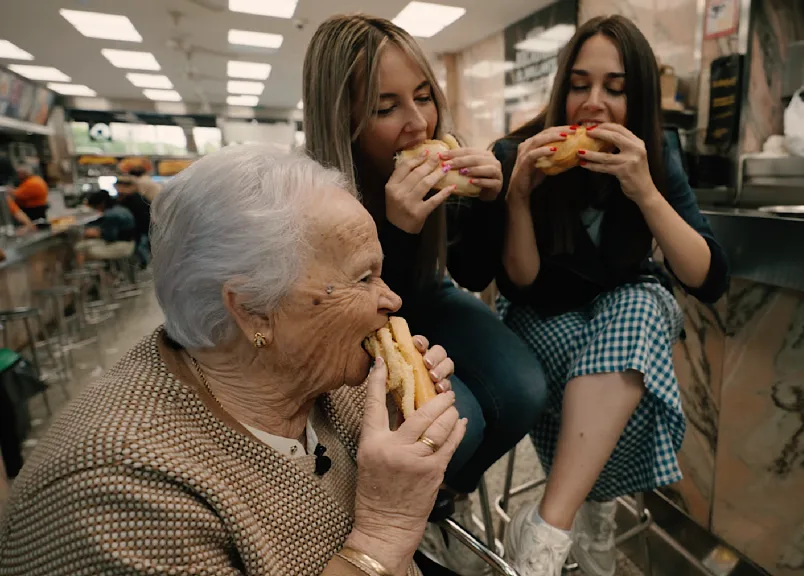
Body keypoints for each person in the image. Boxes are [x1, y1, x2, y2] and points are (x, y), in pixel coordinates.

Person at [0, 144, 469, 575]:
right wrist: (385, 530)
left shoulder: (316, 375)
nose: (391, 300)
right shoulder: (117, 493)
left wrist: (400, 433)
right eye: (364, 278)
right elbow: (382, 529)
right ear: (252, 310)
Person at [303, 15, 547, 574]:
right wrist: (393, 230)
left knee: (524, 387)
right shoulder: (314, 194)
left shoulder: (437, 163)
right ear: (341, 116)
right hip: (360, 318)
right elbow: (350, 308)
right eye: (386, 108)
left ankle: (441, 495)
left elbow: (474, 271)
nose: (418, 123)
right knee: (459, 423)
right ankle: (417, 509)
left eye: (423, 97)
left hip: (427, 291)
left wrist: (492, 202)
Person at [492, 16, 729, 576]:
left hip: (620, 309)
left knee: (643, 309)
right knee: (612, 370)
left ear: (639, 96)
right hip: (540, 314)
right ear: (562, 89)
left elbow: (708, 277)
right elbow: (520, 282)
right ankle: (593, 512)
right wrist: (519, 198)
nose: (593, 103)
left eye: (615, 89)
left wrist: (645, 189)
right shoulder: (516, 151)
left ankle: (549, 529)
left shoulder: (656, 152)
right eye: (580, 85)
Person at [73, 190, 136, 265]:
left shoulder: (111, 215)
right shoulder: (118, 208)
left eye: (94, 207)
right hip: (127, 242)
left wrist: (97, 233)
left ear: (101, 204)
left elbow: (110, 237)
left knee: (88, 250)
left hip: (124, 246)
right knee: (80, 246)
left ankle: (84, 271)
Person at [113, 175, 152, 267]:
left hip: (140, 231)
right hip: (141, 231)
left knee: (141, 252)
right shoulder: (132, 197)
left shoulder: (134, 199)